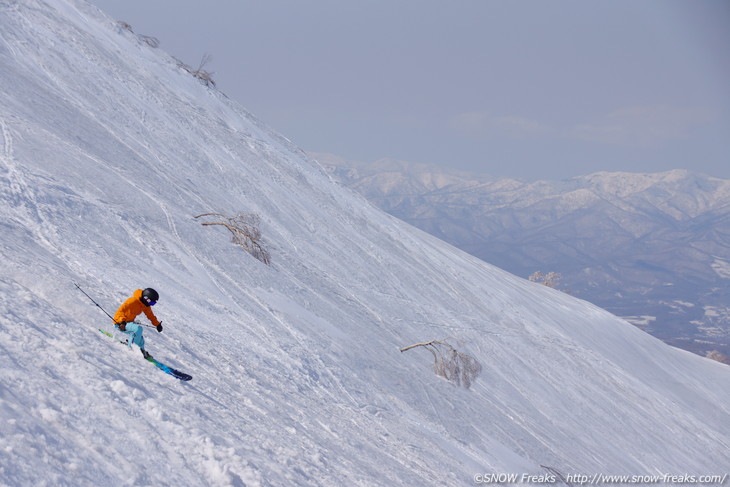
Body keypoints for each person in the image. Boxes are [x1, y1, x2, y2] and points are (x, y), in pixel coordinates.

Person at [113, 288, 163, 359]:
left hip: (128, 323)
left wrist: (157, 324)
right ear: (146, 298)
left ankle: (141, 350)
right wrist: (122, 322)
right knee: (137, 329)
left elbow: (150, 315)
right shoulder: (132, 301)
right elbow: (120, 312)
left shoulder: (144, 305)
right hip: (120, 323)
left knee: (140, 338)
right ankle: (132, 347)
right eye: (151, 303)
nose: (151, 305)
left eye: (153, 304)